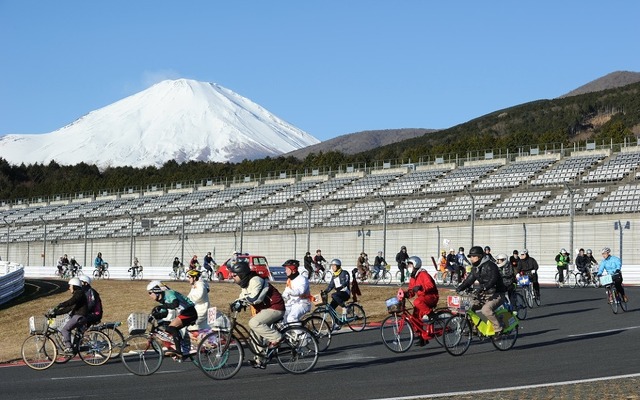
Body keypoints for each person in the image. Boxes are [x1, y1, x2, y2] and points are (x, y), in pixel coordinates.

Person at [229, 261, 285, 369]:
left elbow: (255, 299)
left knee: (254, 322)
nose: (232, 277)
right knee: (253, 333)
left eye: (234, 275)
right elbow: (243, 296)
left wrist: (242, 302)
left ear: (241, 274)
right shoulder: (245, 283)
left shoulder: (256, 280)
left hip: (275, 307)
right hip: (266, 309)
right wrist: (235, 302)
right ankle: (261, 359)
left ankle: (277, 337)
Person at [456, 246, 507, 335]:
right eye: (470, 256)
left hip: (497, 294)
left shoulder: (491, 265)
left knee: (486, 310)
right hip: (484, 293)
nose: (471, 258)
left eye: (473, 256)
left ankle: (498, 328)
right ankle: (474, 328)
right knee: (469, 307)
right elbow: (469, 280)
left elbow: (493, 279)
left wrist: (484, 287)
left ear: (479, 256)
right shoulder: (475, 268)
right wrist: (460, 288)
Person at [147, 280, 197, 358]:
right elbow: (165, 313)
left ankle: (178, 351)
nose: (149, 295)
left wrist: (161, 306)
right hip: (185, 313)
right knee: (169, 329)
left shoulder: (169, 293)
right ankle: (181, 348)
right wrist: (154, 315)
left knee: (171, 327)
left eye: (150, 293)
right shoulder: (162, 299)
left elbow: (175, 304)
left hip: (189, 312)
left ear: (156, 290)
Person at [403, 256, 439, 346]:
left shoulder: (423, 274)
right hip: (422, 298)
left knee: (417, 302)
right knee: (414, 317)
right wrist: (406, 294)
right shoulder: (413, 277)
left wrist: (421, 287)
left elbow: (430, 285)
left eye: (410, 265)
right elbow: (412, 290)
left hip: (431, 296)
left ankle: (431, 315)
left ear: (415, 265)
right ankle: (422, 338)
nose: (408, 267)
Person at [46, 277, 88, 355]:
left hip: (79, 316)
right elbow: (68, 308)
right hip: (79, 316)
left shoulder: (79, 293)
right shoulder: (79, 294)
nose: (69, 288)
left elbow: (71, 302)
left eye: (70, 286)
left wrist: (61, 304)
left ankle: (68, 347)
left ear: (74, 286)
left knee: (65, 329)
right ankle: (74, 348)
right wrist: (56, 313)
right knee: (75, 336)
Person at [281, 259, 312, 324]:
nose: (285, 271)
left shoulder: (303, 279)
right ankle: (287, 332)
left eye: (287, 269)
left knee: (291, 318)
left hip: (303, 304)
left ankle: (303, 334)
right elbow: (285, 292)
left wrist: (289, 291)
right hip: (292, 304)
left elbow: (300, 291)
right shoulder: (289, 280)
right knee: (280, 315)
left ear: (293, 270)